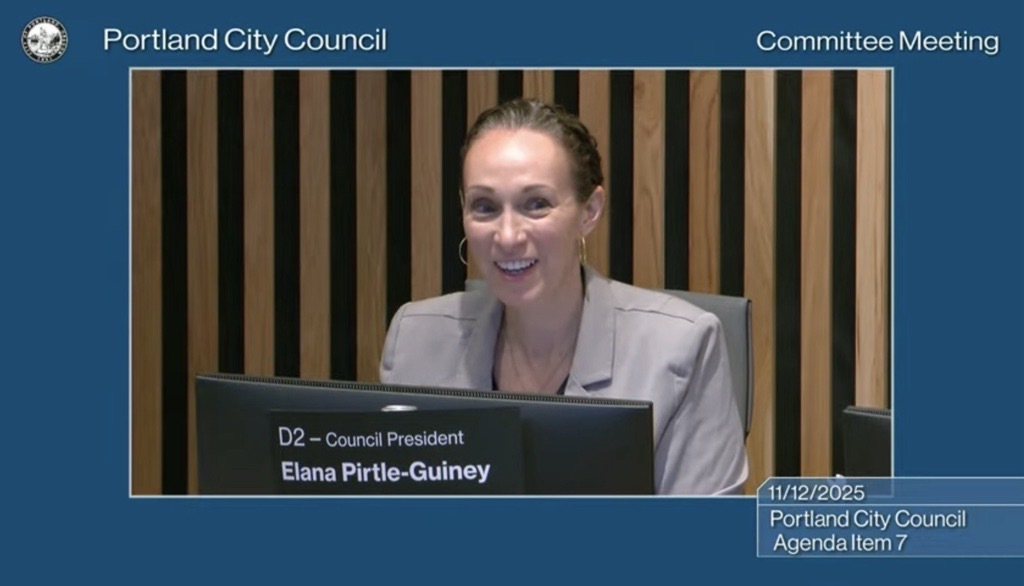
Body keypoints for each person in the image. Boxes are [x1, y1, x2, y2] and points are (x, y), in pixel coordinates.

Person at [379, 98, 748, 495]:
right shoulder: (413, 339)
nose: (507, 236)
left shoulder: (681, 348)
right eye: (484, 207)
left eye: (536, 204)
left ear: (589, 210)